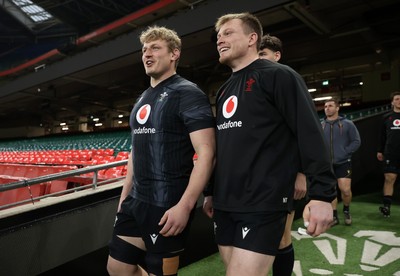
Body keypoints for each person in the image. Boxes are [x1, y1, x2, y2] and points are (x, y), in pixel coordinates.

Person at [202, 12, 336, 276]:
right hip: (226, 201)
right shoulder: (224, 90)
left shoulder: (280, 76)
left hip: (264, 200)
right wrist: (210, 190)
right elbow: (223, 145)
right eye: (218, 36)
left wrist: (322, 195)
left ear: (253, 38)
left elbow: (309, 134)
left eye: (228, 33)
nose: (220, 40)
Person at [107, 26, 216, 276]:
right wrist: (124, 198)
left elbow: (207, 153)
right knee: (117, 268)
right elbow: (135, 151)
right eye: (144, 49)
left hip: (168, 204)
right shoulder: (143, 97)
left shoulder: (187, 93)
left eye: (155, 48)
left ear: (174, 54)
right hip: (136, 202)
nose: (147, 54)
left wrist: (186, 206)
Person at [258, 34, 307, 276]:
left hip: (286, 176)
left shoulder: (287, 82)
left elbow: (303, 133)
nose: (259, 60)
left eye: (263, 55)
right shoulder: (256, 89)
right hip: (260, 181)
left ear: (277, 56)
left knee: (281, 237)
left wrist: (301, 173)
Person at [322, 99, 361, 226]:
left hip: (343, 162)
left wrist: (345, 152)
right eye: (325, 106)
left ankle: (346, 210)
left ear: (337, 108)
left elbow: (356, 141)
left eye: (330, 106)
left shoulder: (348, 124)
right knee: (331, 190)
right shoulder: (321, 125)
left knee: (345, 190)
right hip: (327, 164)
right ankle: (334, 216)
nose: (327, 108)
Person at [377, 91, 400, 217]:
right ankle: (386, 207)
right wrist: (380, 150)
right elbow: (382, 136)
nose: (399, 101)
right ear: (392, 102)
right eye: (396, 99)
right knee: (389, 178)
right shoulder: (386, 117)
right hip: (391, 153)